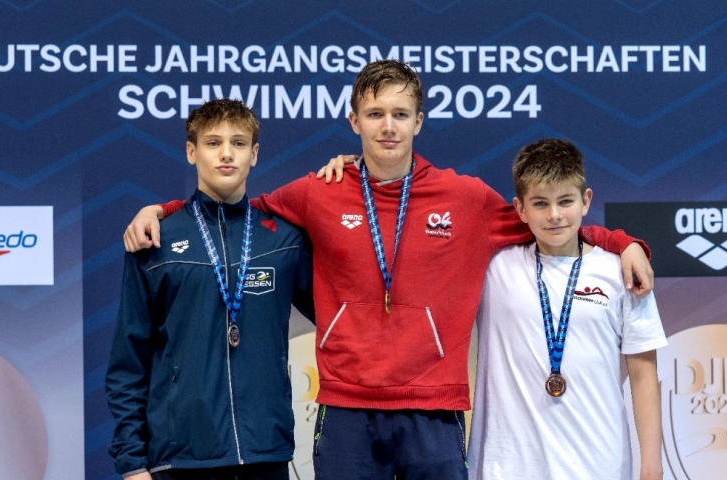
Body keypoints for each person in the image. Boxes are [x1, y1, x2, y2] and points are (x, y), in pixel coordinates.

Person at [122, 60, 653, 479]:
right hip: (348, 407)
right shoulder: (319, 190)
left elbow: (546, 220)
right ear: (354, 121)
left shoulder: (464, 197)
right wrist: (162, 212)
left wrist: (620, 240)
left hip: (434, 408)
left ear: (419, 121)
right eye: (375, 114)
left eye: (401, 114)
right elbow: (232, 205)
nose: (388, 126)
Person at [105, 98, 314, 480]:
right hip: (182, 457)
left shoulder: (284, 240)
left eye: (238, 143)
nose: (226, 154)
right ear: (191, 151)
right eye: (213, 143)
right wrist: (132, 463)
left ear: (254, 154)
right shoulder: (155, 240)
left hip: (265, 452)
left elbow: (338, 318)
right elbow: (128, 361)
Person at [467, 138, 665, 480]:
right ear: (520, 208)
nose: (555, 214)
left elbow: (644, 375)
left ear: (586, 201)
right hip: (507, 467)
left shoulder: (622, 273)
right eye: (540, 203)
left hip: (598, 465)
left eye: (566, 201)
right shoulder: (493, 268)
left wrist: (652, 465)